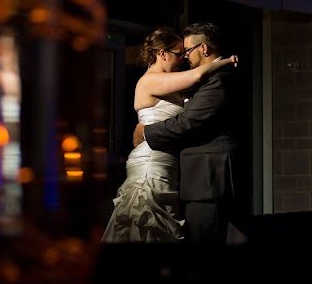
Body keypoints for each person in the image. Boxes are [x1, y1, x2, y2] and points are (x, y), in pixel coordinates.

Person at [102, 27, 238, 243]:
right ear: (162, 53)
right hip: (151, 162)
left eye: (185, 52)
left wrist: (146, 131)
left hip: (169, 164)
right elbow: (198, 74)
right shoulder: (150, 80)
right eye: (178, 53)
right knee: (146, 225)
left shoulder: (175, 81)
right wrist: (226, 60)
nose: (183, 58)